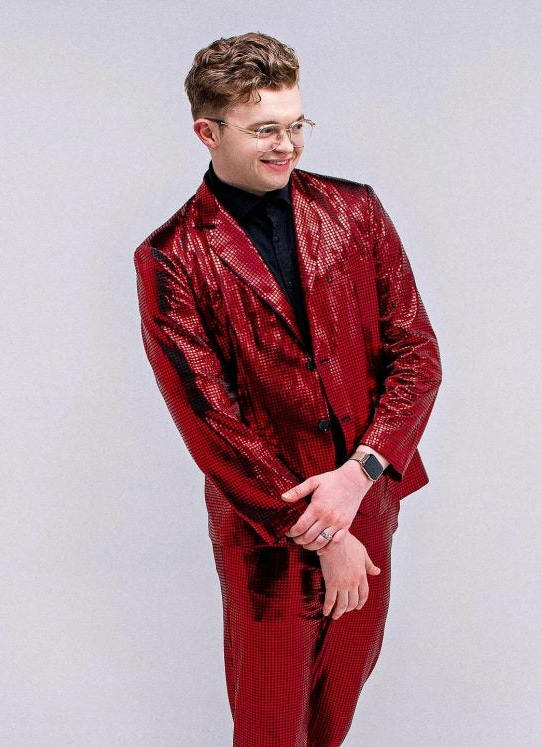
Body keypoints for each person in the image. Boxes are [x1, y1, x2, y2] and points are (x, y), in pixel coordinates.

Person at [134, 31, 441, 747]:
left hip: (367, 499)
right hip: (265, 526)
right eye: (264, 130)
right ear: (208, 132)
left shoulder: (355, 212)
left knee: (333, 718)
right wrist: (321, 529)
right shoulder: (172, 256)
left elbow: (417, 355)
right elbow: (209, 418)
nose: (287, 145)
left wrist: (359, 477)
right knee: (271, 727)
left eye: (296, 124)